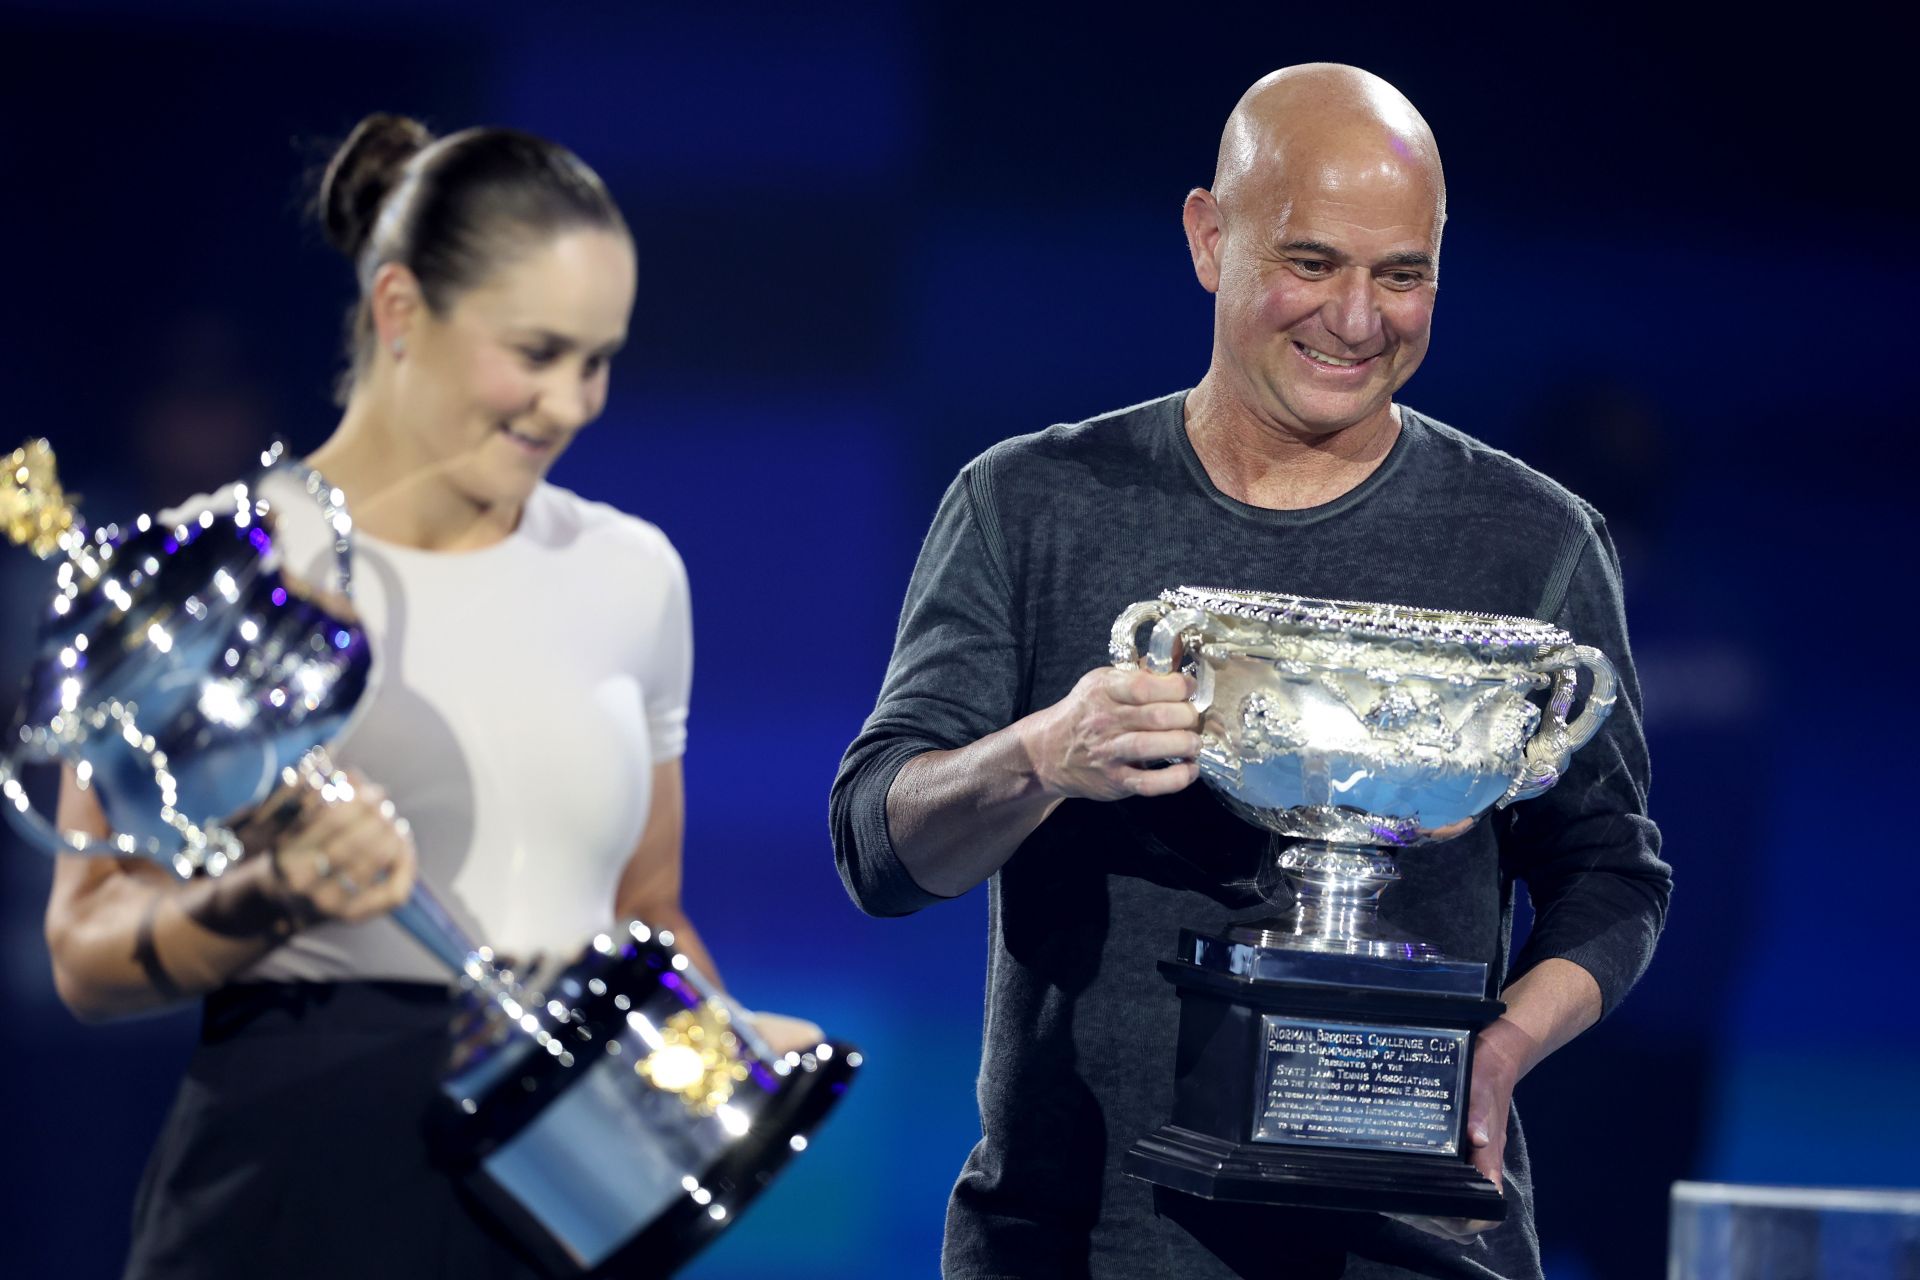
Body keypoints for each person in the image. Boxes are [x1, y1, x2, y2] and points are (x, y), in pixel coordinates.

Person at [831, 64, 1671, 1279]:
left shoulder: (1534, 540)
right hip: (1076, 1241)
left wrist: (1497, 1049)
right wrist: (1040, 755)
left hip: (1418, 1250)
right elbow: (882, 852)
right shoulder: (1030, 504)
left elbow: (1612, 874)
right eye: (1314, 262)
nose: (1357, 318)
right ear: (1208, 238)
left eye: (1403, 274)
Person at [43, 114, 819, 1279]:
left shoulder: (633, 569)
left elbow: (644, 913)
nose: (573, 401)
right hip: (288, 1189)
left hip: (552, 1196)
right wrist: (268, 897)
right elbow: (85, 947)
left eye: (599, 358)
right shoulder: (209, 570)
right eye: (537, 350)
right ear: (401, 309)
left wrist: (715, 1058)